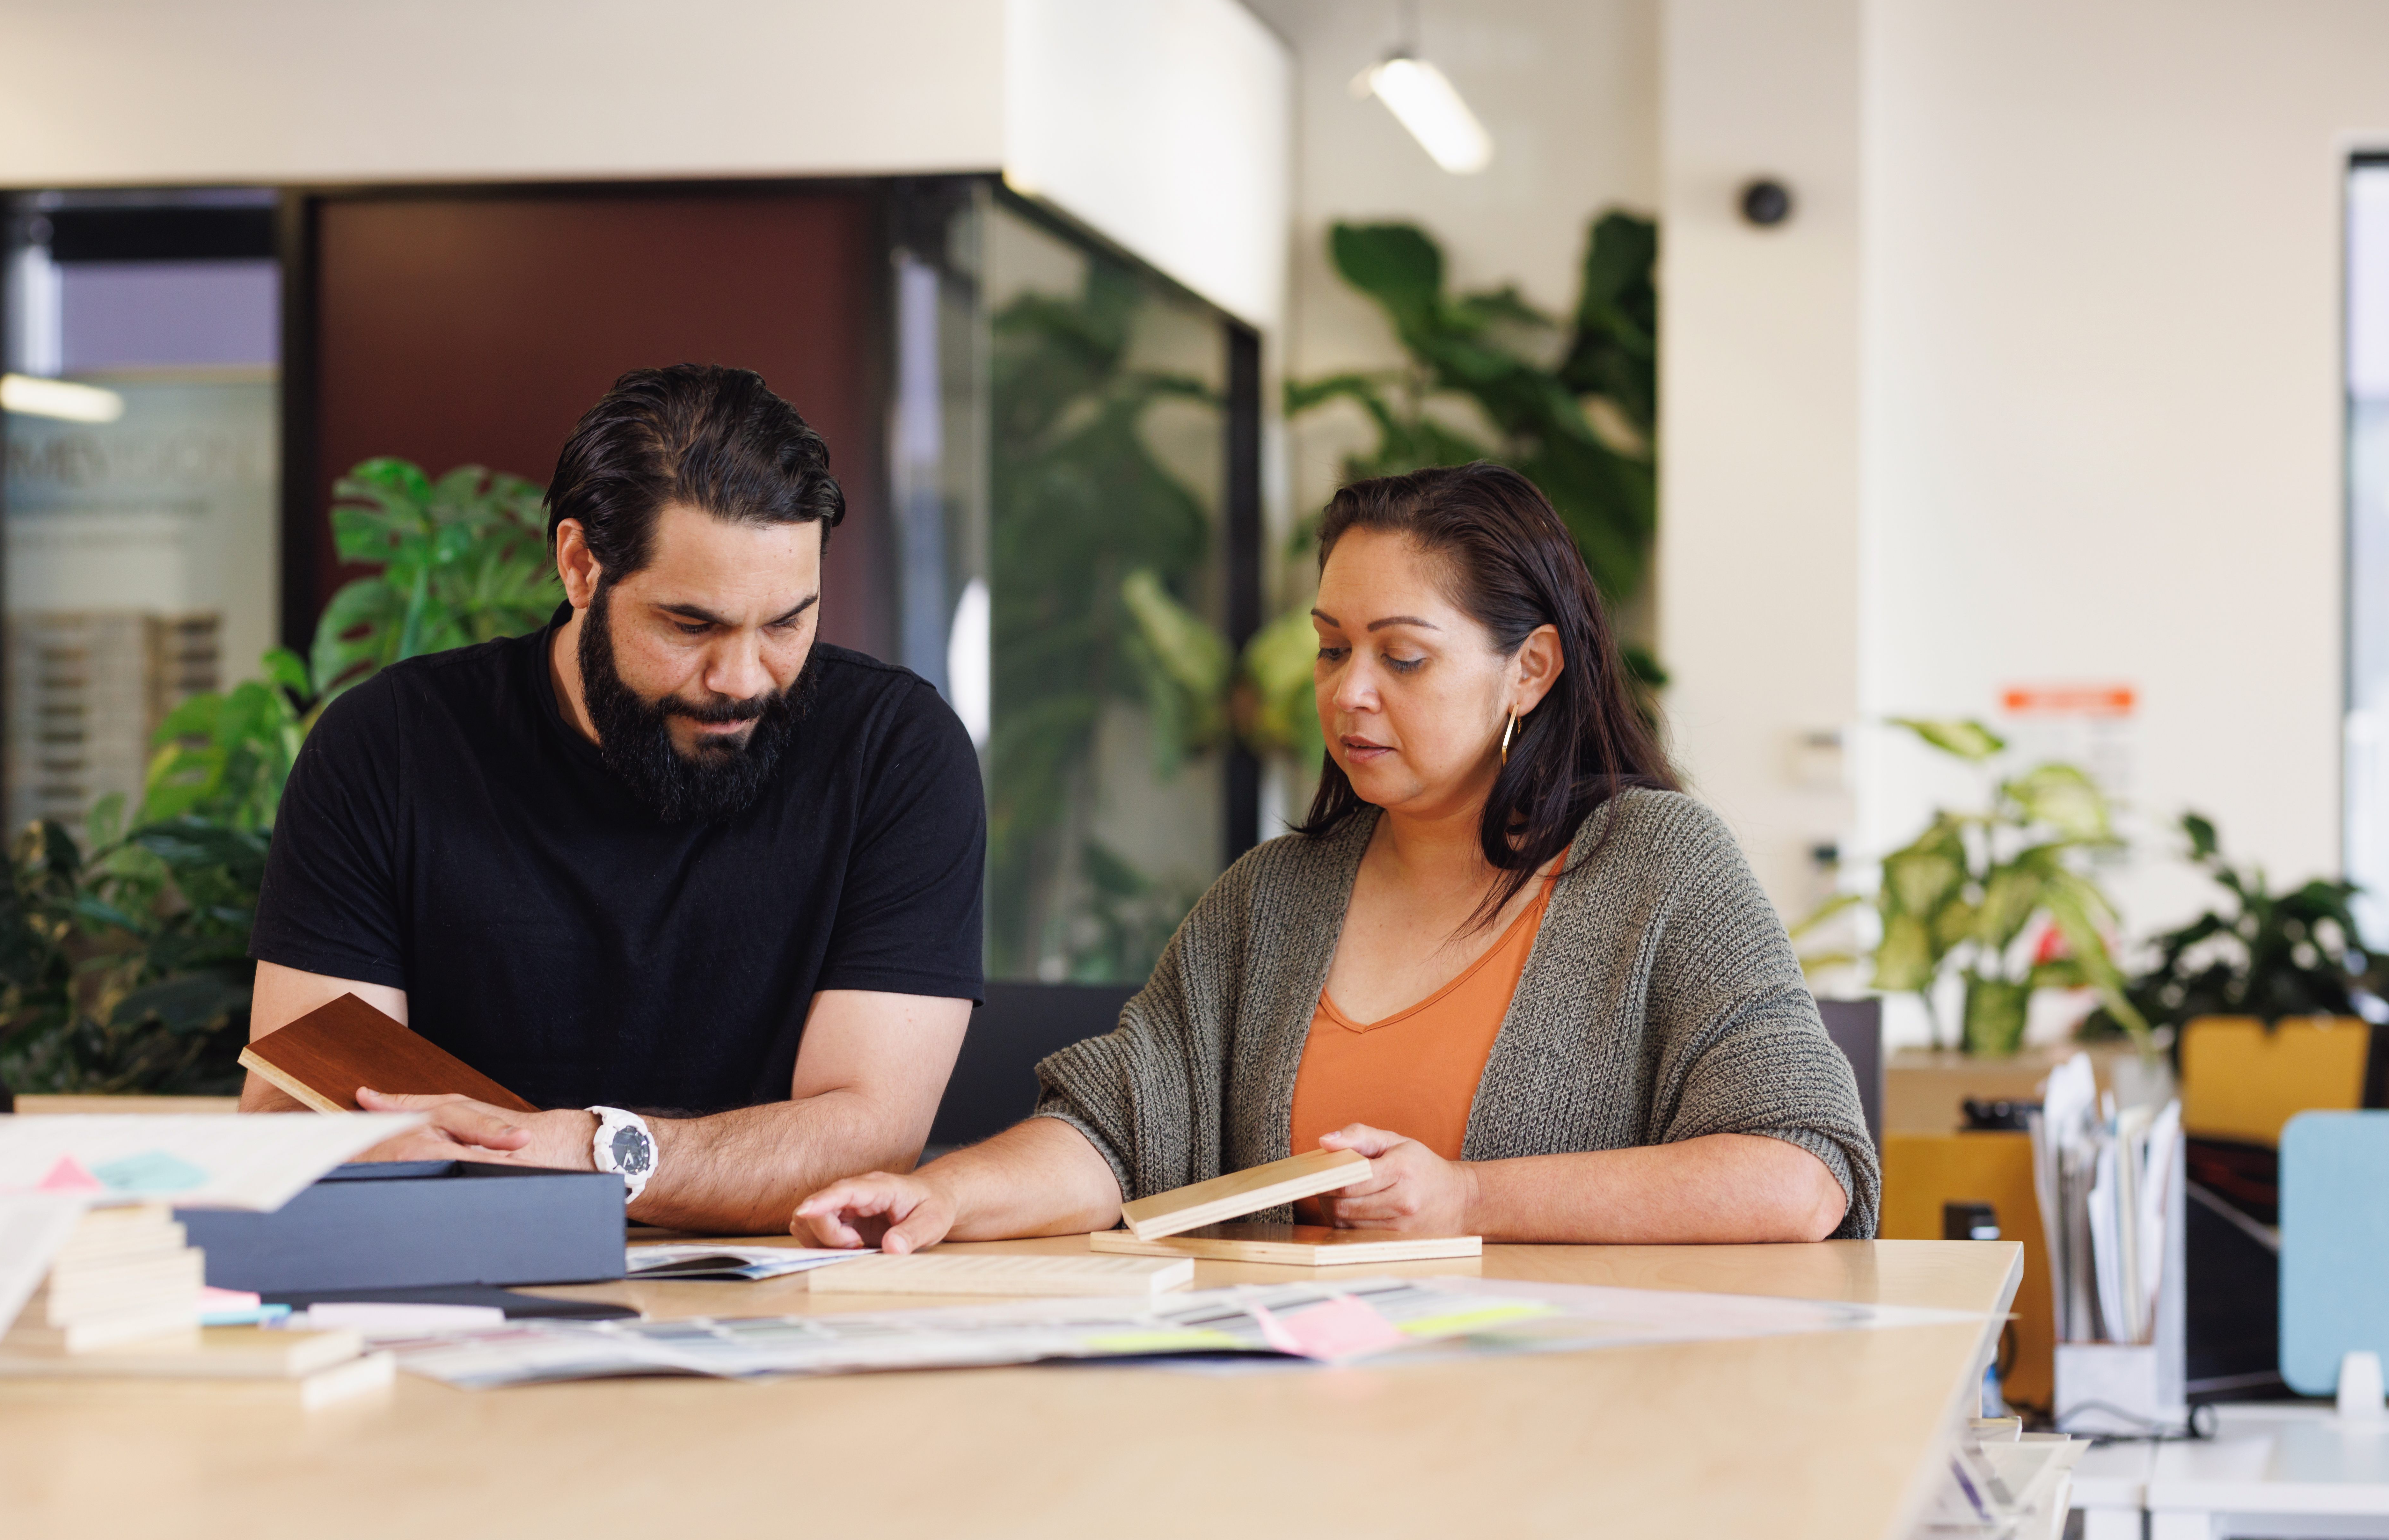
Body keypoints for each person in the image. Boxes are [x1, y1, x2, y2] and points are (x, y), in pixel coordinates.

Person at [792, 462, 1875, 1253]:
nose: (1348, 691)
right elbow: (1114, 1134)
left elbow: (1801, 1175)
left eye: (1402, 656)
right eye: (1330, 647)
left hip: (1564, 1434)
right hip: (1291, 1433)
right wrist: (941, 1198)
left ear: (1532, 669)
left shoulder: (1659, 867)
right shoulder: (1273, 897)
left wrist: (1467, 1201)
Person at [243, 364, 985, 1231]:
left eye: (787, 623)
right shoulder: (388, 748)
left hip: (780, 1311)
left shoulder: (893, 752)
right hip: (459, 1284)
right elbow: (300, 1110)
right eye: (692, 625)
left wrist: (594, 1151)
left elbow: (871, 1134)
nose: (743, 680)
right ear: (580, 566)